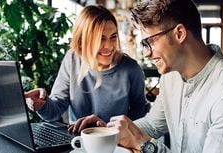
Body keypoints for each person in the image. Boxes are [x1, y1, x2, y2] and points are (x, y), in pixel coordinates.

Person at [107, 0, 223, 153]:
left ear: (179, 34)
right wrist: (106, 133)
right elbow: (153, 124)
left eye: (150, 42)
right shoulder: (170, 77)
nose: (146, 53)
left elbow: (142, 139)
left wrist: (144, 144)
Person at [25, 5, 147, 133]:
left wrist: (109, 131)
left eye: (113, 37)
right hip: (77, 141)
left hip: (116, 143)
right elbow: (55, 110)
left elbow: (139, 119)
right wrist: (43, 105)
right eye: (101, 39)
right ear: (83, 40)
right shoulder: (72, 60)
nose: (109, 46)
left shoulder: (131, 69)